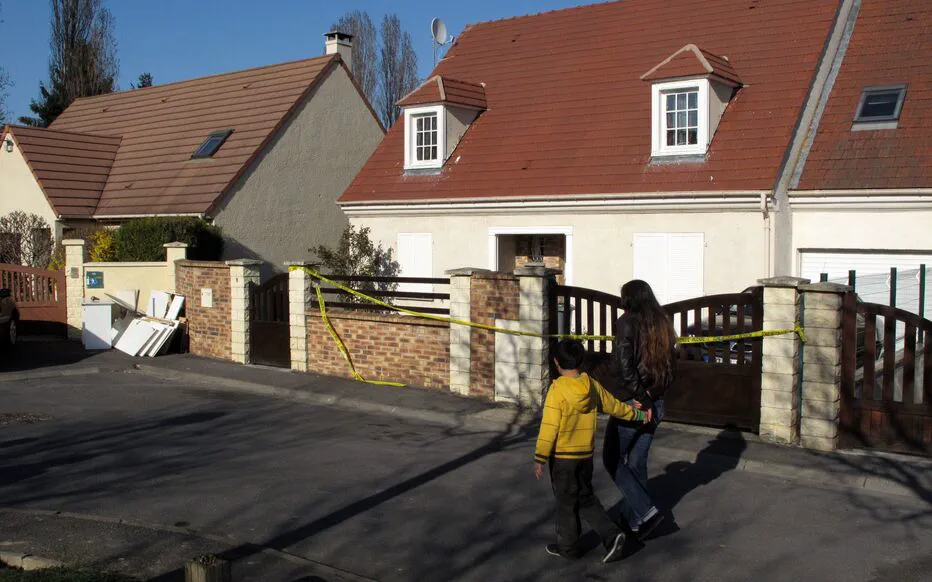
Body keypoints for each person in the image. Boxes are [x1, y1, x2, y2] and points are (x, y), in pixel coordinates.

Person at [534, 339, 652, 563]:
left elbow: (549, 427)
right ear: (581, 361)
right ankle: (612, 534)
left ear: (556, 362)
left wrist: (540, 457)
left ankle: (568, 547)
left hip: (563, 459)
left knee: (566, 502)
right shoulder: (591, 385)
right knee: (585, 497)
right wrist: (637, 415)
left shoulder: (557, 390)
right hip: (585, 456)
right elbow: (614, 406)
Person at [599, 279, 677, 542]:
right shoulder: (662, 322)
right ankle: (635, 522)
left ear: (630, 299)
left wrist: (640, 398)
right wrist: (654, 397)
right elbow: (670, 366)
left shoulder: (627, 321)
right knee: (636, 462)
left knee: (611, 458)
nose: (622, 302)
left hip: (635, 403)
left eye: (624, 297)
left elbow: (623, 365)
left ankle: (645, 511)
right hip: (657, 402)